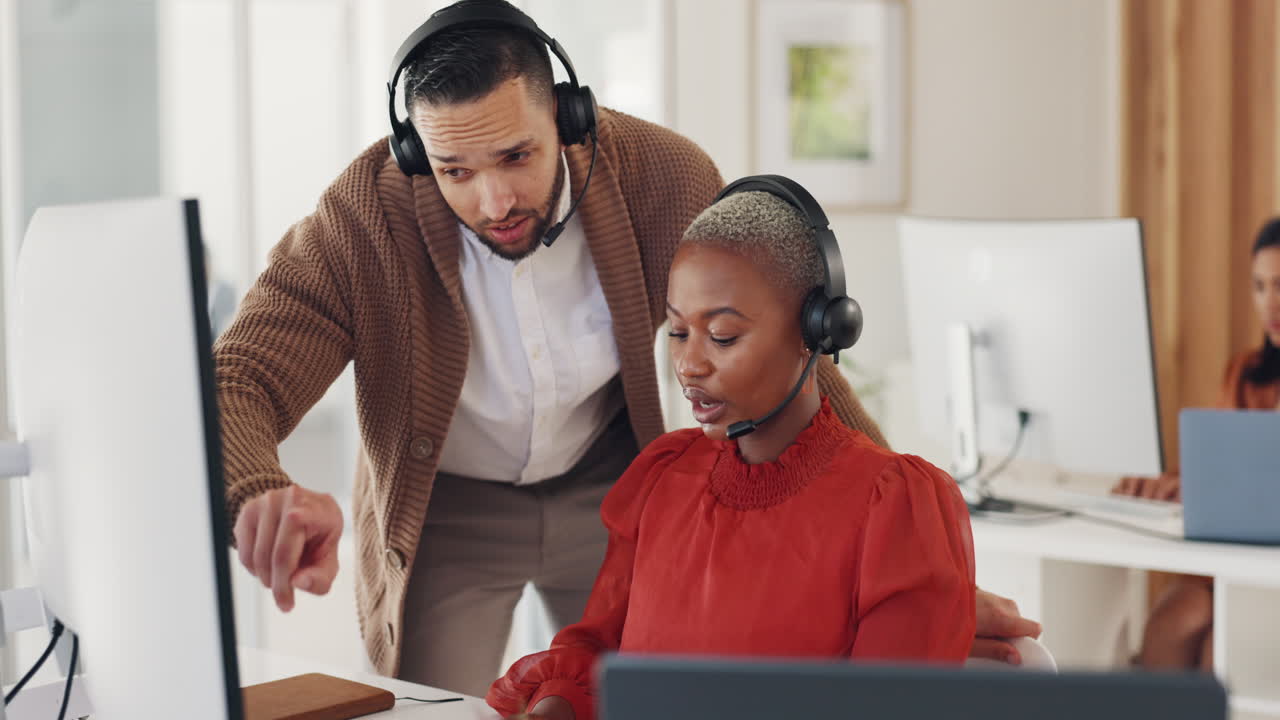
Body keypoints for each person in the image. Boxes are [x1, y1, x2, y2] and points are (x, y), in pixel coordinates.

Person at [216, 0, 1039, 696]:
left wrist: (907, 561)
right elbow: (238, 378)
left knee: (637, 693)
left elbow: (788, 347)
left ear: (567, 117)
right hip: (453, 507)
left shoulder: (663, 177)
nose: (493, 199)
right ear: (413, 153)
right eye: (453, 170)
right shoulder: (362, 218)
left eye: (516, 156)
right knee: (437, 709)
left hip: (610, 486)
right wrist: (258, 490)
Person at [487, 183, 977, 720]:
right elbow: (596, 651)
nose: (689, 365)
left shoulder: (896, 507)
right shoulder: (662, 476)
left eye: (722, 336)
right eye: (678, 332)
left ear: (815, 331)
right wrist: (554, 706)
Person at [1113, 217, 1280, 670]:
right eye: (1260, 286)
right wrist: (1169, 486)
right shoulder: (1245, 374)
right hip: (1231, 560)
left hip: (1272, 570)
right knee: (1173, 618)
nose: (1270, 303)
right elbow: (1217, 474)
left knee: (1218, 649)